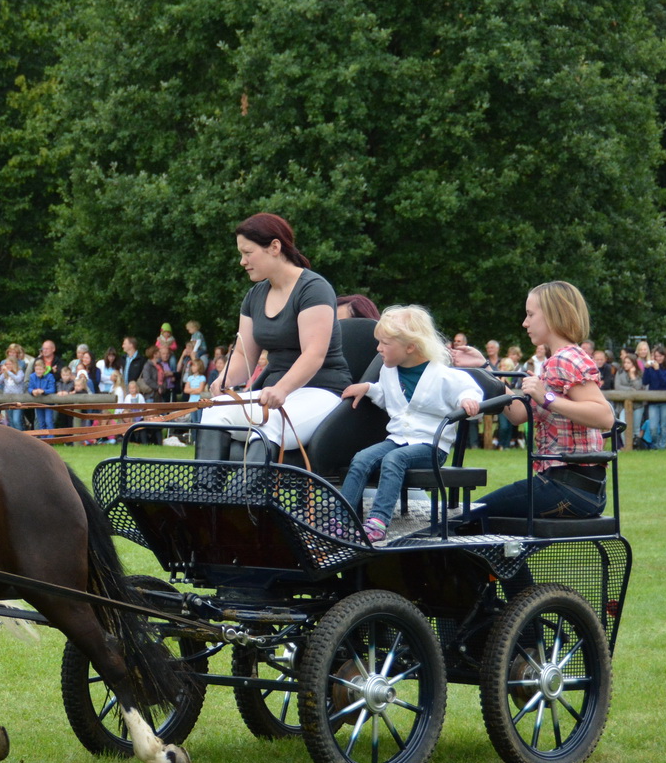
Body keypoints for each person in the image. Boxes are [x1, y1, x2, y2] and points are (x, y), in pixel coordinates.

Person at [196, 213, 348, 464]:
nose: (242, 261)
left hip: (321, 391)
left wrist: (282, 389)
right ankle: (204, 498)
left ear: (274, 247)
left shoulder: (314, 289)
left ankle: (247, 501)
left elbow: (314, 354)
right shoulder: (254, 295)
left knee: (269, 422)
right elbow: (245, 355)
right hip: (274, 393)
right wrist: (224, 380)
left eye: (248, 253)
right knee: (215, 410)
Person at [470, 282, 614, 524]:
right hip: (576, 488)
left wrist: (547, 398)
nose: (525, 323)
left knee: (470, 517)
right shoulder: (554, 361)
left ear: (553, 315)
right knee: (477, 515)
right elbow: (517, 414)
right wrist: (484, 368)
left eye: (530, 314)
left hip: (569, 488)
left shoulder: (566, 359)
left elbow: (604, 416)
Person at [339, 306, 483, 542]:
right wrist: (368, 388)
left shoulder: (443, 375)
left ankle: (378, 521)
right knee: (362, 458)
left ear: (410, 346)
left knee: (394, 460)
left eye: (384, 343)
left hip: (431, 446)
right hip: (398, 440)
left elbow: (468, 390)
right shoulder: (389, 371)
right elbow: (389, 398)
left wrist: (469, 400)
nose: (378, 348)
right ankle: (341, 517)